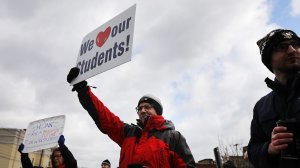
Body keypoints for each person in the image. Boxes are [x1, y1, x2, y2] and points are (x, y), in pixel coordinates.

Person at [67, 68, 196, 168]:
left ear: (157, 111)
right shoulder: (128, 133)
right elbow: (105, 117)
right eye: (139, 108)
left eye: (147, 107)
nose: (142, 111)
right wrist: (82, 90)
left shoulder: (173, 137)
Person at [248, 29, 300, 168]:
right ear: (269, 59)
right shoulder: (261, 106)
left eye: (295, 44)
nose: (292, 50)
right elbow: (253, 150)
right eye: (282, 47)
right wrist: (269, 148)